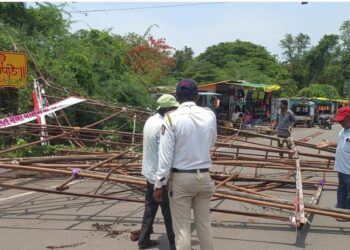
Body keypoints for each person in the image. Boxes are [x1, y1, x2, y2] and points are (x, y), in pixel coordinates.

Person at [153, 79, 217, 250]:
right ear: (197, 96)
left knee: (182, 230)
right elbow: (212, 142)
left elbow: (165, 157)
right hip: (204, 177)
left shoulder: (171, 118)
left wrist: (159, 183)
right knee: (204, 226)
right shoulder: (209, 115)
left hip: (181, 179)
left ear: (177, 96)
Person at [138, 94, 178, 249]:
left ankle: (143, 239)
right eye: (173, 109)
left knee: (150, 207)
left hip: (149, 172)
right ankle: (175, 245)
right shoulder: (162, 125)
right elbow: (165, 155)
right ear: (167, 109)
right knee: (169, 213)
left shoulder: (150, 120)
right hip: (159, 176)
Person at [317, 106, 350, 221]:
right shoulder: (344, 129)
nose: (340, 122)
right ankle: (340, 208)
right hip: (341, 168)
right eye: (339, 120)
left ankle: (346, 214)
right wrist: (330, 143)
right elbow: (343, 143)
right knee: (342, 189)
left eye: (342, 120)